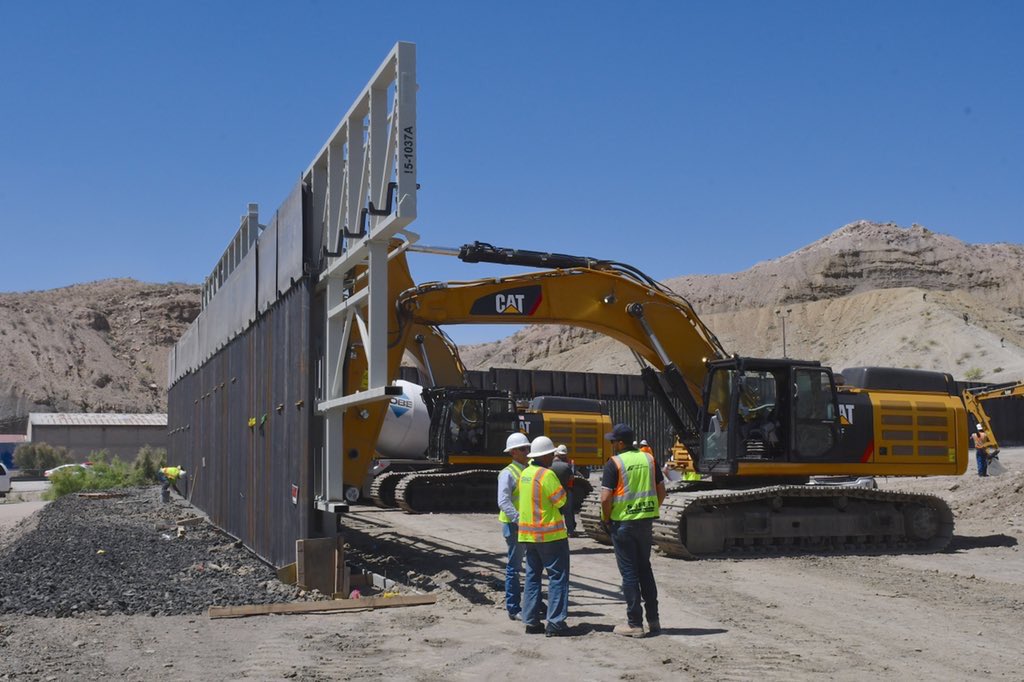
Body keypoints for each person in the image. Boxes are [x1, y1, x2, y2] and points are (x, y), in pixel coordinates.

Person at [600, 423, 666, 638]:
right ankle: (654, 621)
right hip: (645, 523)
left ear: (620, 443)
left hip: (623, 525)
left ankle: (634, 624)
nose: (611, 445)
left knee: (629, 573)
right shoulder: (649, 459)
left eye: (613, 441)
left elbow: (605, 498)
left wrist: (606, 518)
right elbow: (661, 491)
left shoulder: (615, 463)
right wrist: (649, 508)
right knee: (644, 569)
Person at [518, 435, 571, 637]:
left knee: (532, 577)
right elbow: (561, 502)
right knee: (558, 578)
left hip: (529, 536)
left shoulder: (525, 473)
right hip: (550, 535)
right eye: (551, 454)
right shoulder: (546, 475)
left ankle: (531, 622)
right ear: (547, 455)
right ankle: (556, 623)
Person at [497, 432, 531, 620]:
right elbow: (504, 501)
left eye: (527, 448)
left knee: (529, 567)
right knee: (514, 567)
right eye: (523, 449)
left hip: (526, 526)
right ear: (513, 452)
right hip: (515, 525)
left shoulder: (527, 470)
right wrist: (519, 520)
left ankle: (529, 603)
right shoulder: (508, 473)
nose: (527, 451)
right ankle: (513, 607)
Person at [551, 444, 578, 536]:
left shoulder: (551, 464)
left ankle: (556, 530)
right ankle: (570, 530)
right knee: (568, 511)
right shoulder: (568, 464)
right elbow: (571, 477)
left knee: (557, 512)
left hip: (555, 492)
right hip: (567, 490)